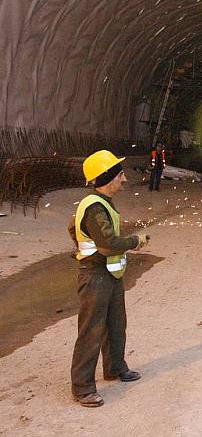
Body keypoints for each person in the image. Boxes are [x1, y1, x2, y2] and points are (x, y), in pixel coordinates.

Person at [67, 150, 149, 407]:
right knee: (91, 330)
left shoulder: (101, 203)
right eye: (120, 175)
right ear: (107, 177)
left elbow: (72, 227)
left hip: (109, 273)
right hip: (94, 274)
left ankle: (115, 367)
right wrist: (135, 241)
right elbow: (109, 243)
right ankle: (82, 388)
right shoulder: (93, 207)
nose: (124, 180)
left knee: (116, 323)